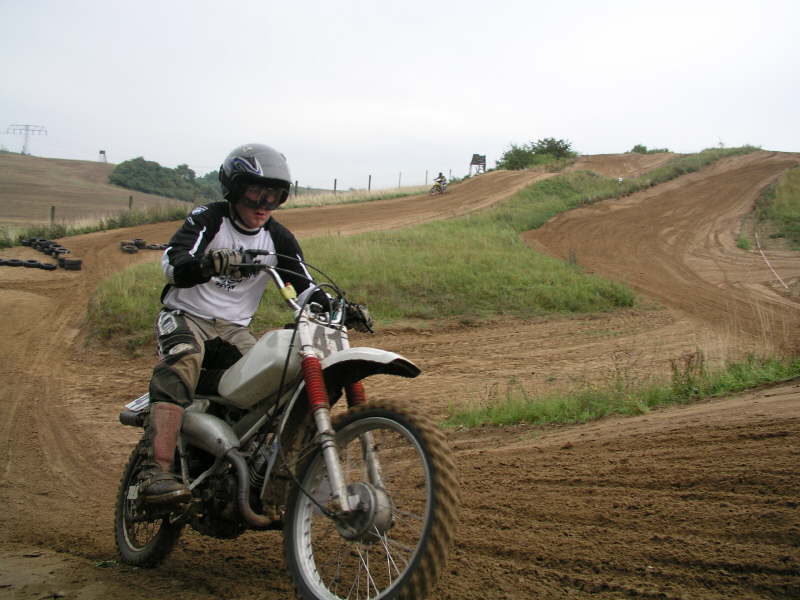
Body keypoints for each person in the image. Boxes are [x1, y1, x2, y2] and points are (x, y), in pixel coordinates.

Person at [140, 142, 330, 505]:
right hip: (185, 315)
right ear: (234, 188)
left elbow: (304, 285)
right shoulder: (209, 219)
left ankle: (247, 467)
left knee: (274, 381)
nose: (264, 204)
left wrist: (334, 305)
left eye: (274, 196)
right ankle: (155, 471)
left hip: (233, 329)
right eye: (256, 192)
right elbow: (174, 263)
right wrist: (205, 265)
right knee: (184, 358)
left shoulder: (278, 238)